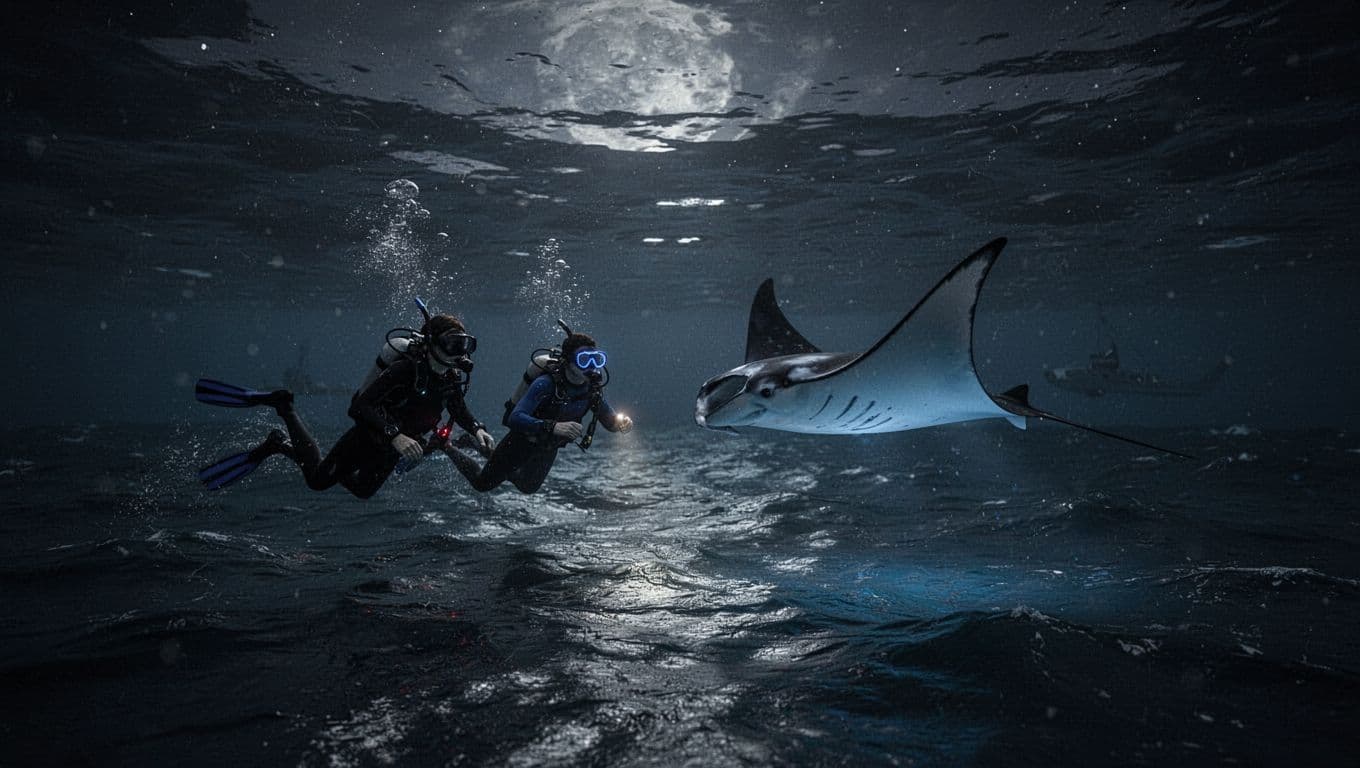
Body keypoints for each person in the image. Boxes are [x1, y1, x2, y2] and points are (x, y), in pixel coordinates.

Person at [195, 312, 496, 498]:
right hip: (371, 436)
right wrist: (395, 435)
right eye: (452, 344)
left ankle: (293, 448)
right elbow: (360, 407)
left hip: (398, 445)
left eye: (464, 345)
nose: (459, 353)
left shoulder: (452, 376)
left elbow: (457, 409)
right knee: (318, 481)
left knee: (364, 491)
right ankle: (284, 413)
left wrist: (477, 428)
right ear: (432, 343)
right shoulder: (405, 370)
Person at [444, 331, 633, 494]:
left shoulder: (592, 390)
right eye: (584, 360)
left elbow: (609, 421)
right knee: (482, 484)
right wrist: (554, 426)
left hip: (548, 446)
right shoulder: (546, 384)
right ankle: (446, 446)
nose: (592, 366)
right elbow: (515, 417)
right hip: (521, 441)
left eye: (597, 359)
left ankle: (475, 445)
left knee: (527, 486)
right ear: (568, 362)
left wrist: (621, 424)